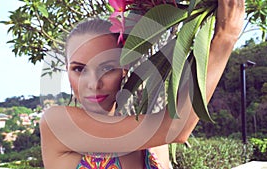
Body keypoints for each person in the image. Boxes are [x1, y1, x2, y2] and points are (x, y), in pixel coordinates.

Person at [40, 0, 245, 168]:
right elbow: (175, 129)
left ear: (124, 69)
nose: (93, 84)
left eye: (107, 68)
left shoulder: (154, 144)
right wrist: (225, 36)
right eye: (78, 69)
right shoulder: (57, 123)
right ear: (66, 70)